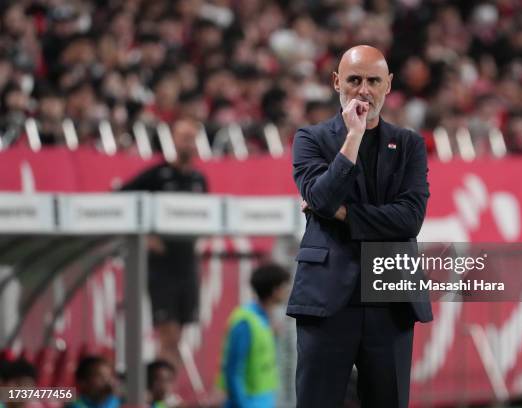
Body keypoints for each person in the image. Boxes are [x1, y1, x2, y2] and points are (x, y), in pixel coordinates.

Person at [289, 45, 433, 407]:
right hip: (326, 298)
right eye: (354, 80)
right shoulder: (311, 139)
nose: (363, 90)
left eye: (373, 81)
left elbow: (410, 219)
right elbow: (321, 199)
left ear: (388, 85)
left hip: (391, 299)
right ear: (337, 82)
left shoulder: (411, 145)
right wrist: (352, 138)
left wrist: (344, 214)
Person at [120, 117, 208, 368]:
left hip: (187, 263)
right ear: (173, 139)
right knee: (167, 333)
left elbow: (207, 214)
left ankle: (165, 389)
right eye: (184, 138)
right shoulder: (157, 175)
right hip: (162, 266)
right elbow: (120, 198)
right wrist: (146, 236)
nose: (188, 144)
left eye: (192, 139)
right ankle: (160, 391)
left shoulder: (198, 180)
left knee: (178, 335)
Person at [218, 263, 291, 408]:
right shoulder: (245, 321)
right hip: (247, 402)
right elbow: (233, 369)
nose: (288, 291)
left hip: (263, 400)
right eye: (285, 287)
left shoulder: (266, 321)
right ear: (275, 289)